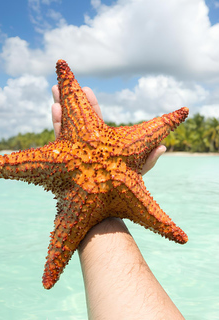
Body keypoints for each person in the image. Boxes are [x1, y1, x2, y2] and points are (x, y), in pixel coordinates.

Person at [51, 85, 185, 320]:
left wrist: (88, 209)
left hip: (83, 190)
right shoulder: (125, 145)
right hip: (116, 180)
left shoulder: (62, 163)